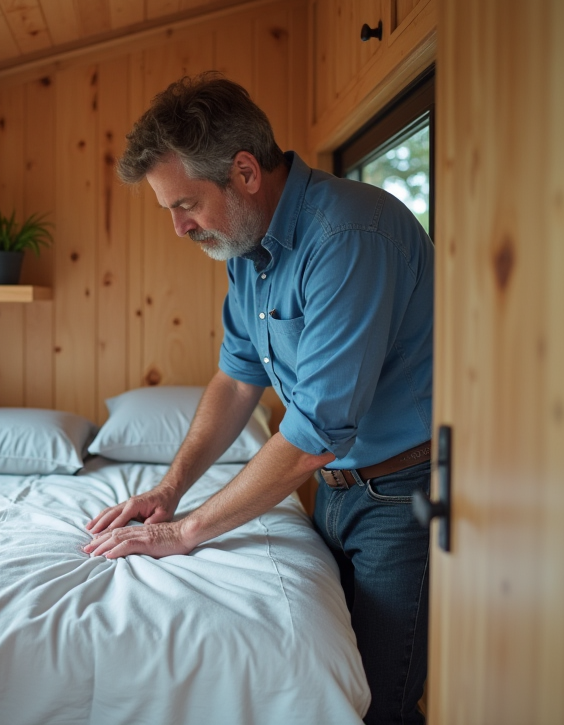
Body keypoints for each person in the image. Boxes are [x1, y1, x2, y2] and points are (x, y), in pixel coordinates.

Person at [83, 73, 434, 725]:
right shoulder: (247, 249)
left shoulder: (349, 235)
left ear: (245, 172)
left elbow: (317, 431)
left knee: (379, 702)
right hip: (332, 490)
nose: (180, 229)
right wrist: (171, 489)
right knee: (331, 681)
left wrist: (184, 534)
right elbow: (237, 378)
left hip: (400, 493)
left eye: (185, 205)